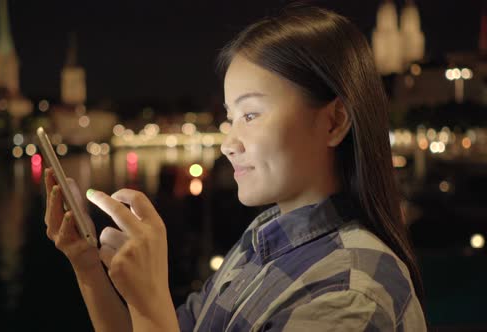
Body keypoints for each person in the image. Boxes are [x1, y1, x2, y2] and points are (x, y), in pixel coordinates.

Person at [43, 4, 427, 331]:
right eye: (230, 117)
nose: (228, 143)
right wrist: (89, 266)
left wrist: (149, 297)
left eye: (251, 113)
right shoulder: (263, 238)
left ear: (333, 122)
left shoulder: (348, 294)